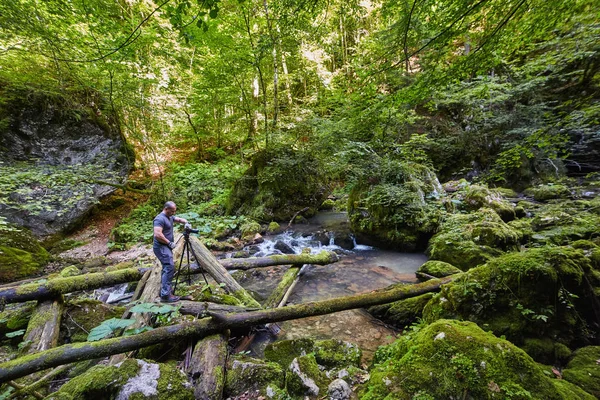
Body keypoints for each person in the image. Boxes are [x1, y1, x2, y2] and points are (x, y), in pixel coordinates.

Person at [153, 201, 188, 302]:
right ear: (166, 209)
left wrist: (186, 222)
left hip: (165, 247)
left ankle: (164, 291)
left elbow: (178, 219)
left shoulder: (169, 216)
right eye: (172, 211)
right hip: (161, 247)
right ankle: (165, 296)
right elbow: (157, 235)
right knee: (169, 267)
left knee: (166, 268)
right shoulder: (160, 219)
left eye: (174, 211)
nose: (173, 213)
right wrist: (169, 243)